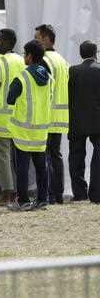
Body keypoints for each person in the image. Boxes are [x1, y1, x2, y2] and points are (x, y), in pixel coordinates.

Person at [7, 40, 53, 211]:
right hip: (41, 129)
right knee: (42, 167)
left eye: (24, 54)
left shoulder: (22, 77)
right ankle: (42, 199)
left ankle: (23, 200)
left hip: (23, 131)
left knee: (22, 168)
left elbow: (9, 98)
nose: (23, 57)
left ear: (30, 56)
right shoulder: (48, 77)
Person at [0, 29, 26, 205]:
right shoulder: (21, 60)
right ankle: (18, 191)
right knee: (17, 159)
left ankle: (8, 193)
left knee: (2, 157)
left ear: (4, 42)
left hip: (0, 118)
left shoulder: (0, 62)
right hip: (17, 116)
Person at [35, 24, 69, 204]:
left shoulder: (45, 60)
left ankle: (48, 194)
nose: (35, 41)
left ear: (47, 39)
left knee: (45, 156)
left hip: (47, 115)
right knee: (56, 155)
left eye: (38, 37)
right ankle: (58, 194)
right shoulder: (62, 60)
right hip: (61, 116)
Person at [67, 41, 100, 202]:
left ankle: (79, 193)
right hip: (97, 121)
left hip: (76, 121)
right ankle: (96, 194)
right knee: (98, 157)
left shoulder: (72, 71)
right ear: (96, 53)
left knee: (76, 157)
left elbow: (69, 96)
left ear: (81, 54)